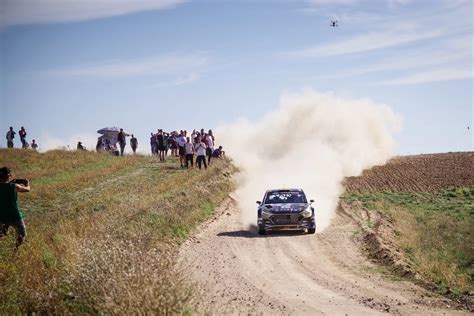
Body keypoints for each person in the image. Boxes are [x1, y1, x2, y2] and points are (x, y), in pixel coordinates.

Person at [0, 167, 30, 249]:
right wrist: (27, 183)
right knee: (22, 234)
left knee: (1, 233)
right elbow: (27, 190)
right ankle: (16, 249)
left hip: (1, 216)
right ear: (9, 175)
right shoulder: (14, 186)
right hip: (14, 215)